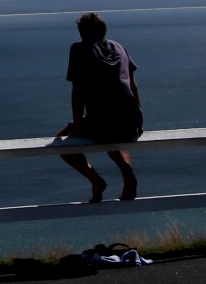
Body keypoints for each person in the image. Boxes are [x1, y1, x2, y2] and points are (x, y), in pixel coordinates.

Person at [53, 12, 142, 202]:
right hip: (130, 121)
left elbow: (78, 92)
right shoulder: (120, 47)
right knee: (114, 137)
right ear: (103, 31)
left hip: (101, 122)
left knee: (61, 143)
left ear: (81, 33)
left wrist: (77, 126)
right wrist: (138, 119)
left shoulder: (79, 50)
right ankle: (127, 172)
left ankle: (96, 180)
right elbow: (133, 86)